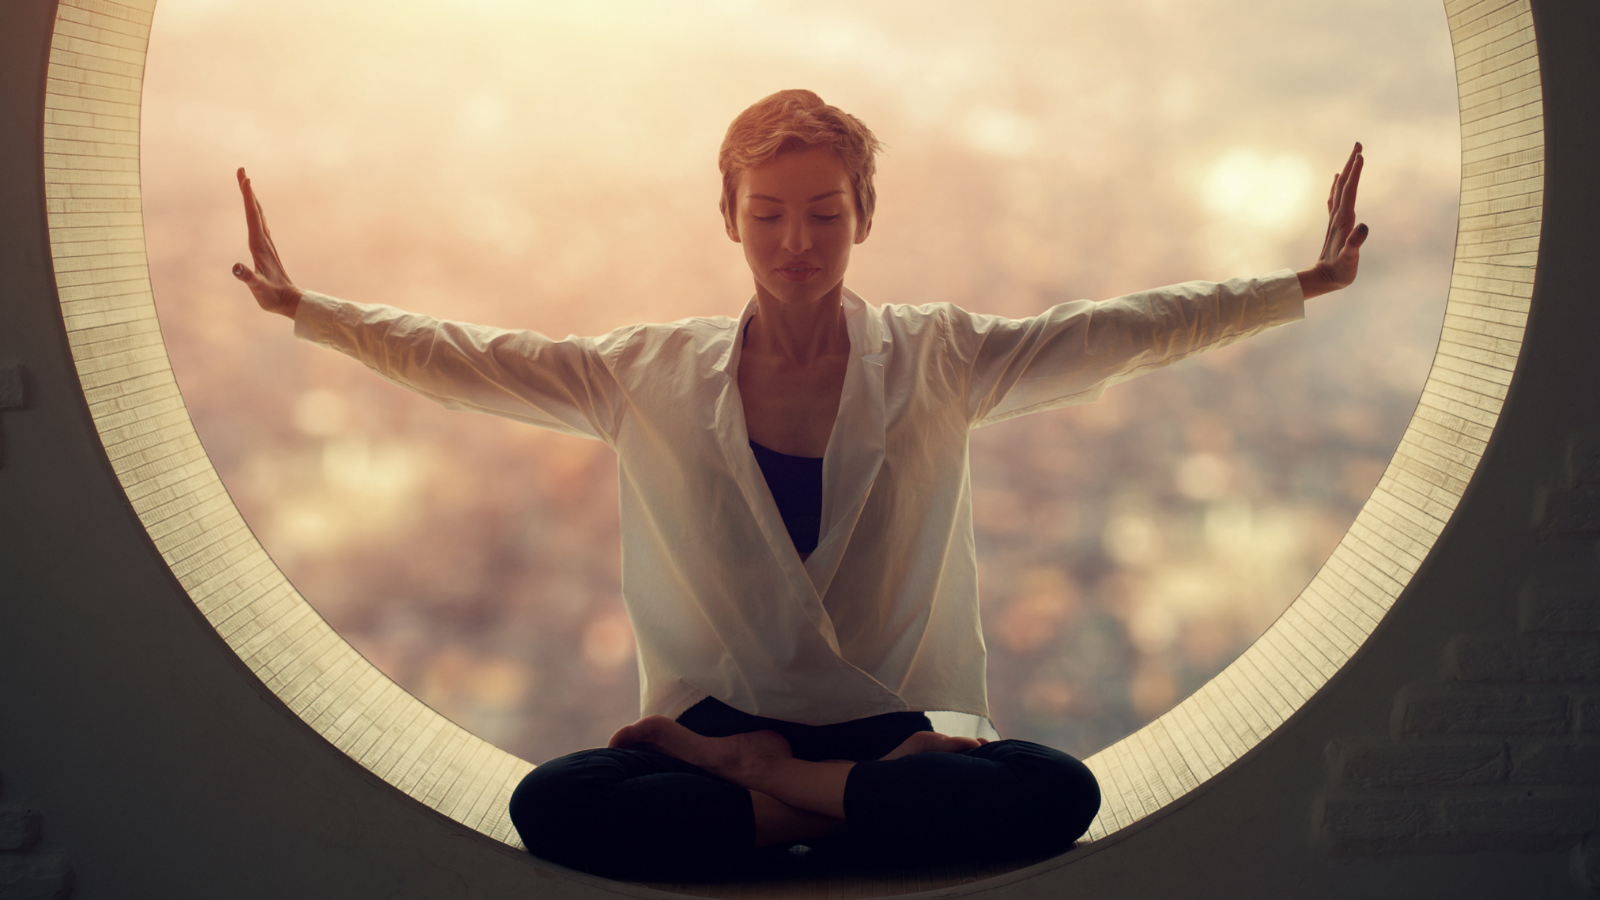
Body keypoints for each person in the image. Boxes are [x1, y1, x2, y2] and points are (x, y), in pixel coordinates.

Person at [232, 89, 1367, 881]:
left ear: (862, 218)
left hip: (891, 731)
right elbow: (473, 361)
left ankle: (765, 796)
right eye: (768, 215)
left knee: (1055, 792)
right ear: (728, 217)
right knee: (552, 805)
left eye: (824, 214)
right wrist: (310, 313)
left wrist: (1297, 284)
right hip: (743, 730)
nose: (795, 243)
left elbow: (1120, 332)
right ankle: (826, 806)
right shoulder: (648, 373)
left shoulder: (938, 356)